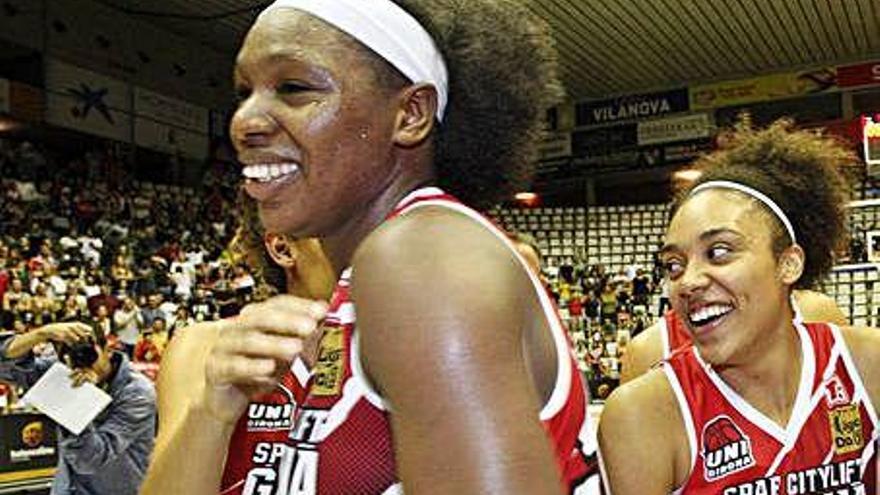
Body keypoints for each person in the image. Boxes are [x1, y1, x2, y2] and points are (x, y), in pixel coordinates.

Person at [142, 0, 598, 494]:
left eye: (293, 88)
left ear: (410, 114)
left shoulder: (418, 255)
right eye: (244, 92)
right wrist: (210, 412)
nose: (244, 121)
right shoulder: (378, 276)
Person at [598, 120, 879, 494]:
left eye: (719, 252)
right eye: (673, 266)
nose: (689, 281)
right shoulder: (643, 413)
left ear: (788, 263)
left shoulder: (866, 363)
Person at [0, 320, 156, 495]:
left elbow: (89, 460)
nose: (81, 362)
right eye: (72, 353)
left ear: (108, 350)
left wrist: (77, 398)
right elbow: (4, 366)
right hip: (67, 487)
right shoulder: (63, 371)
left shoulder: (137, 393)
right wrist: (41, 334)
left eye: (88, 353)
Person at [621, 289, 849, 383]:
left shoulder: (815, 315)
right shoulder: (650, 350)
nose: (695, 276)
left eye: (720, 252)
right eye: (675, 263)